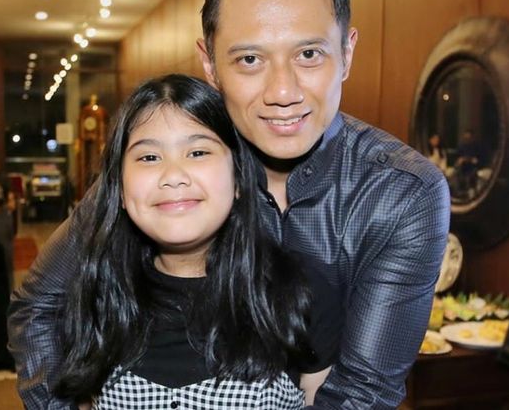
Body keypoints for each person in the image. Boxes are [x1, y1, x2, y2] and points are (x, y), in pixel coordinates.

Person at [8, 0, 450, 409]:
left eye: (308, 54)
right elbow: (39, 306)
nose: (283, 92)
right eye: (249, 60)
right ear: (210, 66)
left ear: (347, 52)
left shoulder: (403, 193)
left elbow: (363, 391)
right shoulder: (173, 171)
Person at [51, 75, 338, 408]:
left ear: (238, 178)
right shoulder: (95, 295)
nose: (173, 176)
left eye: (198, 152)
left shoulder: (300, 293)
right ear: (121, 190)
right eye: (149, 157)